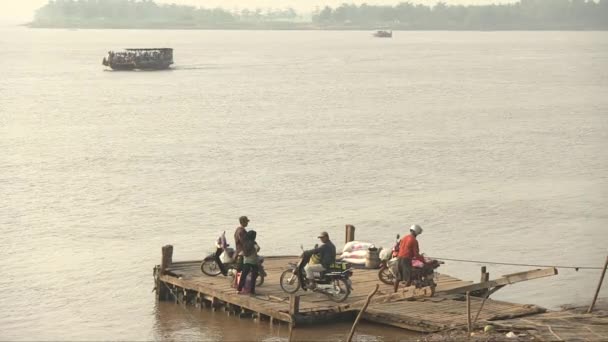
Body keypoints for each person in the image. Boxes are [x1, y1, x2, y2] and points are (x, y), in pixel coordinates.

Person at [394, 224, 424, 293]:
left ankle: (395, 292)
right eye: (417, 234)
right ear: (415, 232)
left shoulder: (404, 237)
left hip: (399, 258)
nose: (417, 235)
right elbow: (416, 254)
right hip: (406, 260)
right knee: (409, 278)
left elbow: (399, 247)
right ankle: (404, 293)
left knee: (398, 278)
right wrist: (423, 260)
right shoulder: (414, 240)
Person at [237, 230, 260, 295]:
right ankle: (252, 291)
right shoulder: (254, 243)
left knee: (243, 276)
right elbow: (258, 248)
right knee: (254, 276)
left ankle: (239, 289)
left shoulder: (245, 242)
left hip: (246, 261)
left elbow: (243, 251)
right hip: (253, 262)